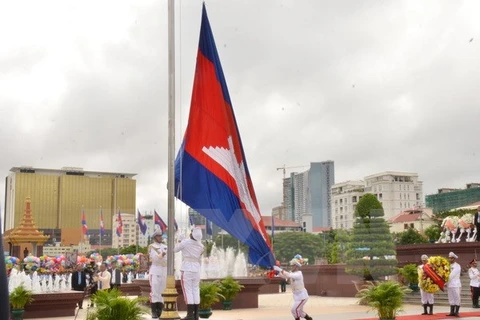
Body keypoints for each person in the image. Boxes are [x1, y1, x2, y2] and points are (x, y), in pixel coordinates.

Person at [174, 227, 204, 320]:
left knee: (188, 291)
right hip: (197, 269)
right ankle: (196, 315)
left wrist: (180, 241)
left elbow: (174, 250)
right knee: (195, 290)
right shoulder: (201, 246)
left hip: (187, 268)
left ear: (192, 234)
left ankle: (190, 315)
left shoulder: (185, 242)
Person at [274, 256, 313, 320]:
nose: (291, 267)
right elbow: (285, 277)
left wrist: (280, 269)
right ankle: (309, 319)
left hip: (302, 296)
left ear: (297, 266)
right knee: (300, 312)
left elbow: (289, 275)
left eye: (293, 266)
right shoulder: (292, 272)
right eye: (291, 266)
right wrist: (277, 272)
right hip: (296, 296)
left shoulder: (299, 273)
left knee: (294, 310)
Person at [148, 229, 167, 319]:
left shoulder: (165, 246)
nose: (160, 237)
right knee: (155, 291)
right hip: (155, 270)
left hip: (164, 270)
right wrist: (161, 255)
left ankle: (160, 310)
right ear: (155, 237)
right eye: (158, 236)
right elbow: (154, 259)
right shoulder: (152, 246)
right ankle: (154, 311)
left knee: (162, 291)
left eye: (161, 236)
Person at [445, 251, 461, 317]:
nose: (450, 259)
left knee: (457, 297)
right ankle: (452, 312)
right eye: (450, 258)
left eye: (452, 258)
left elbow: (451, 275)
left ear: (454, 258)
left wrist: (446, 282)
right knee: (451, 298)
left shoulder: (457, 266)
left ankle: (456, 312)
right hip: (450, 285)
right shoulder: (448, 266)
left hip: (455, 284)